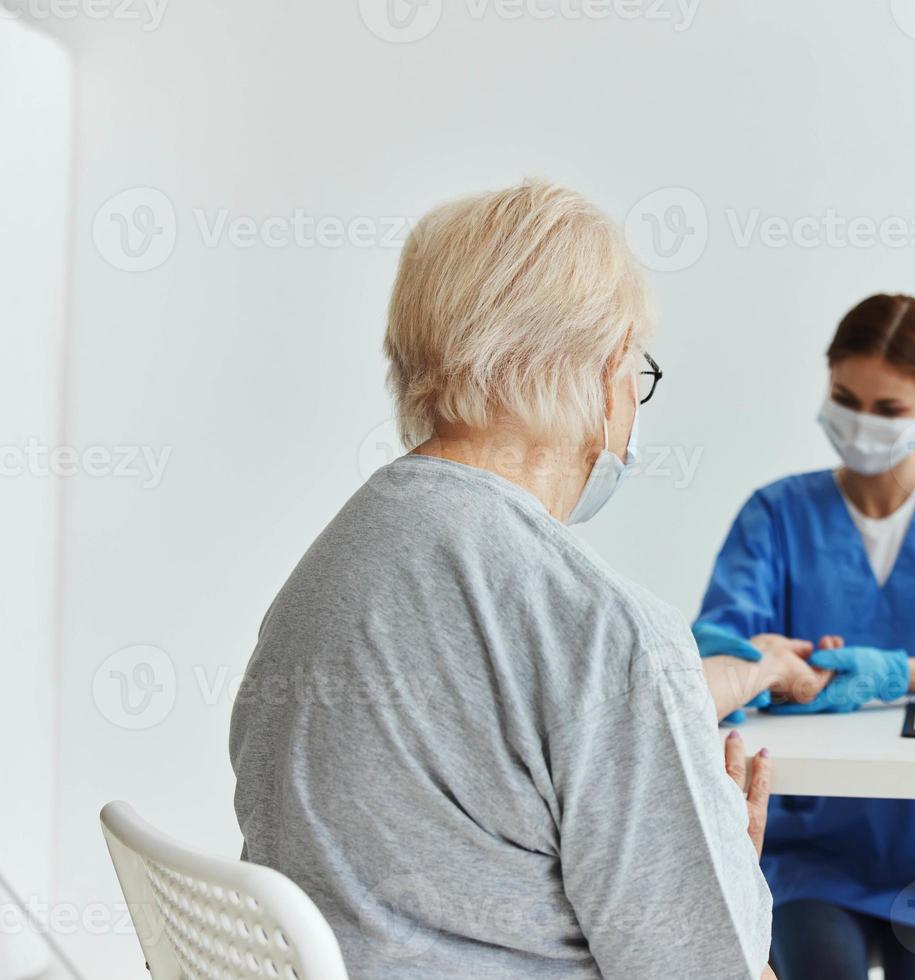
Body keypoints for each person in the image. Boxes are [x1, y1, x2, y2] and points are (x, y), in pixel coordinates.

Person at [229, 181, 822, 979]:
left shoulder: (327, 575)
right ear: (605, 370)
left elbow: (500, 721)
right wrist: (729, 890)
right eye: (635, 371)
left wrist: (737, 679)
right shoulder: (598, 626)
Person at [696, 294, 915, 979]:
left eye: (888, 410)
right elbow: (721, 650)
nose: (862, 424)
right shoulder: (775, 513)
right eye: (844, 397)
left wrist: (891, 672)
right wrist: (768, 664)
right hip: (809, 840)